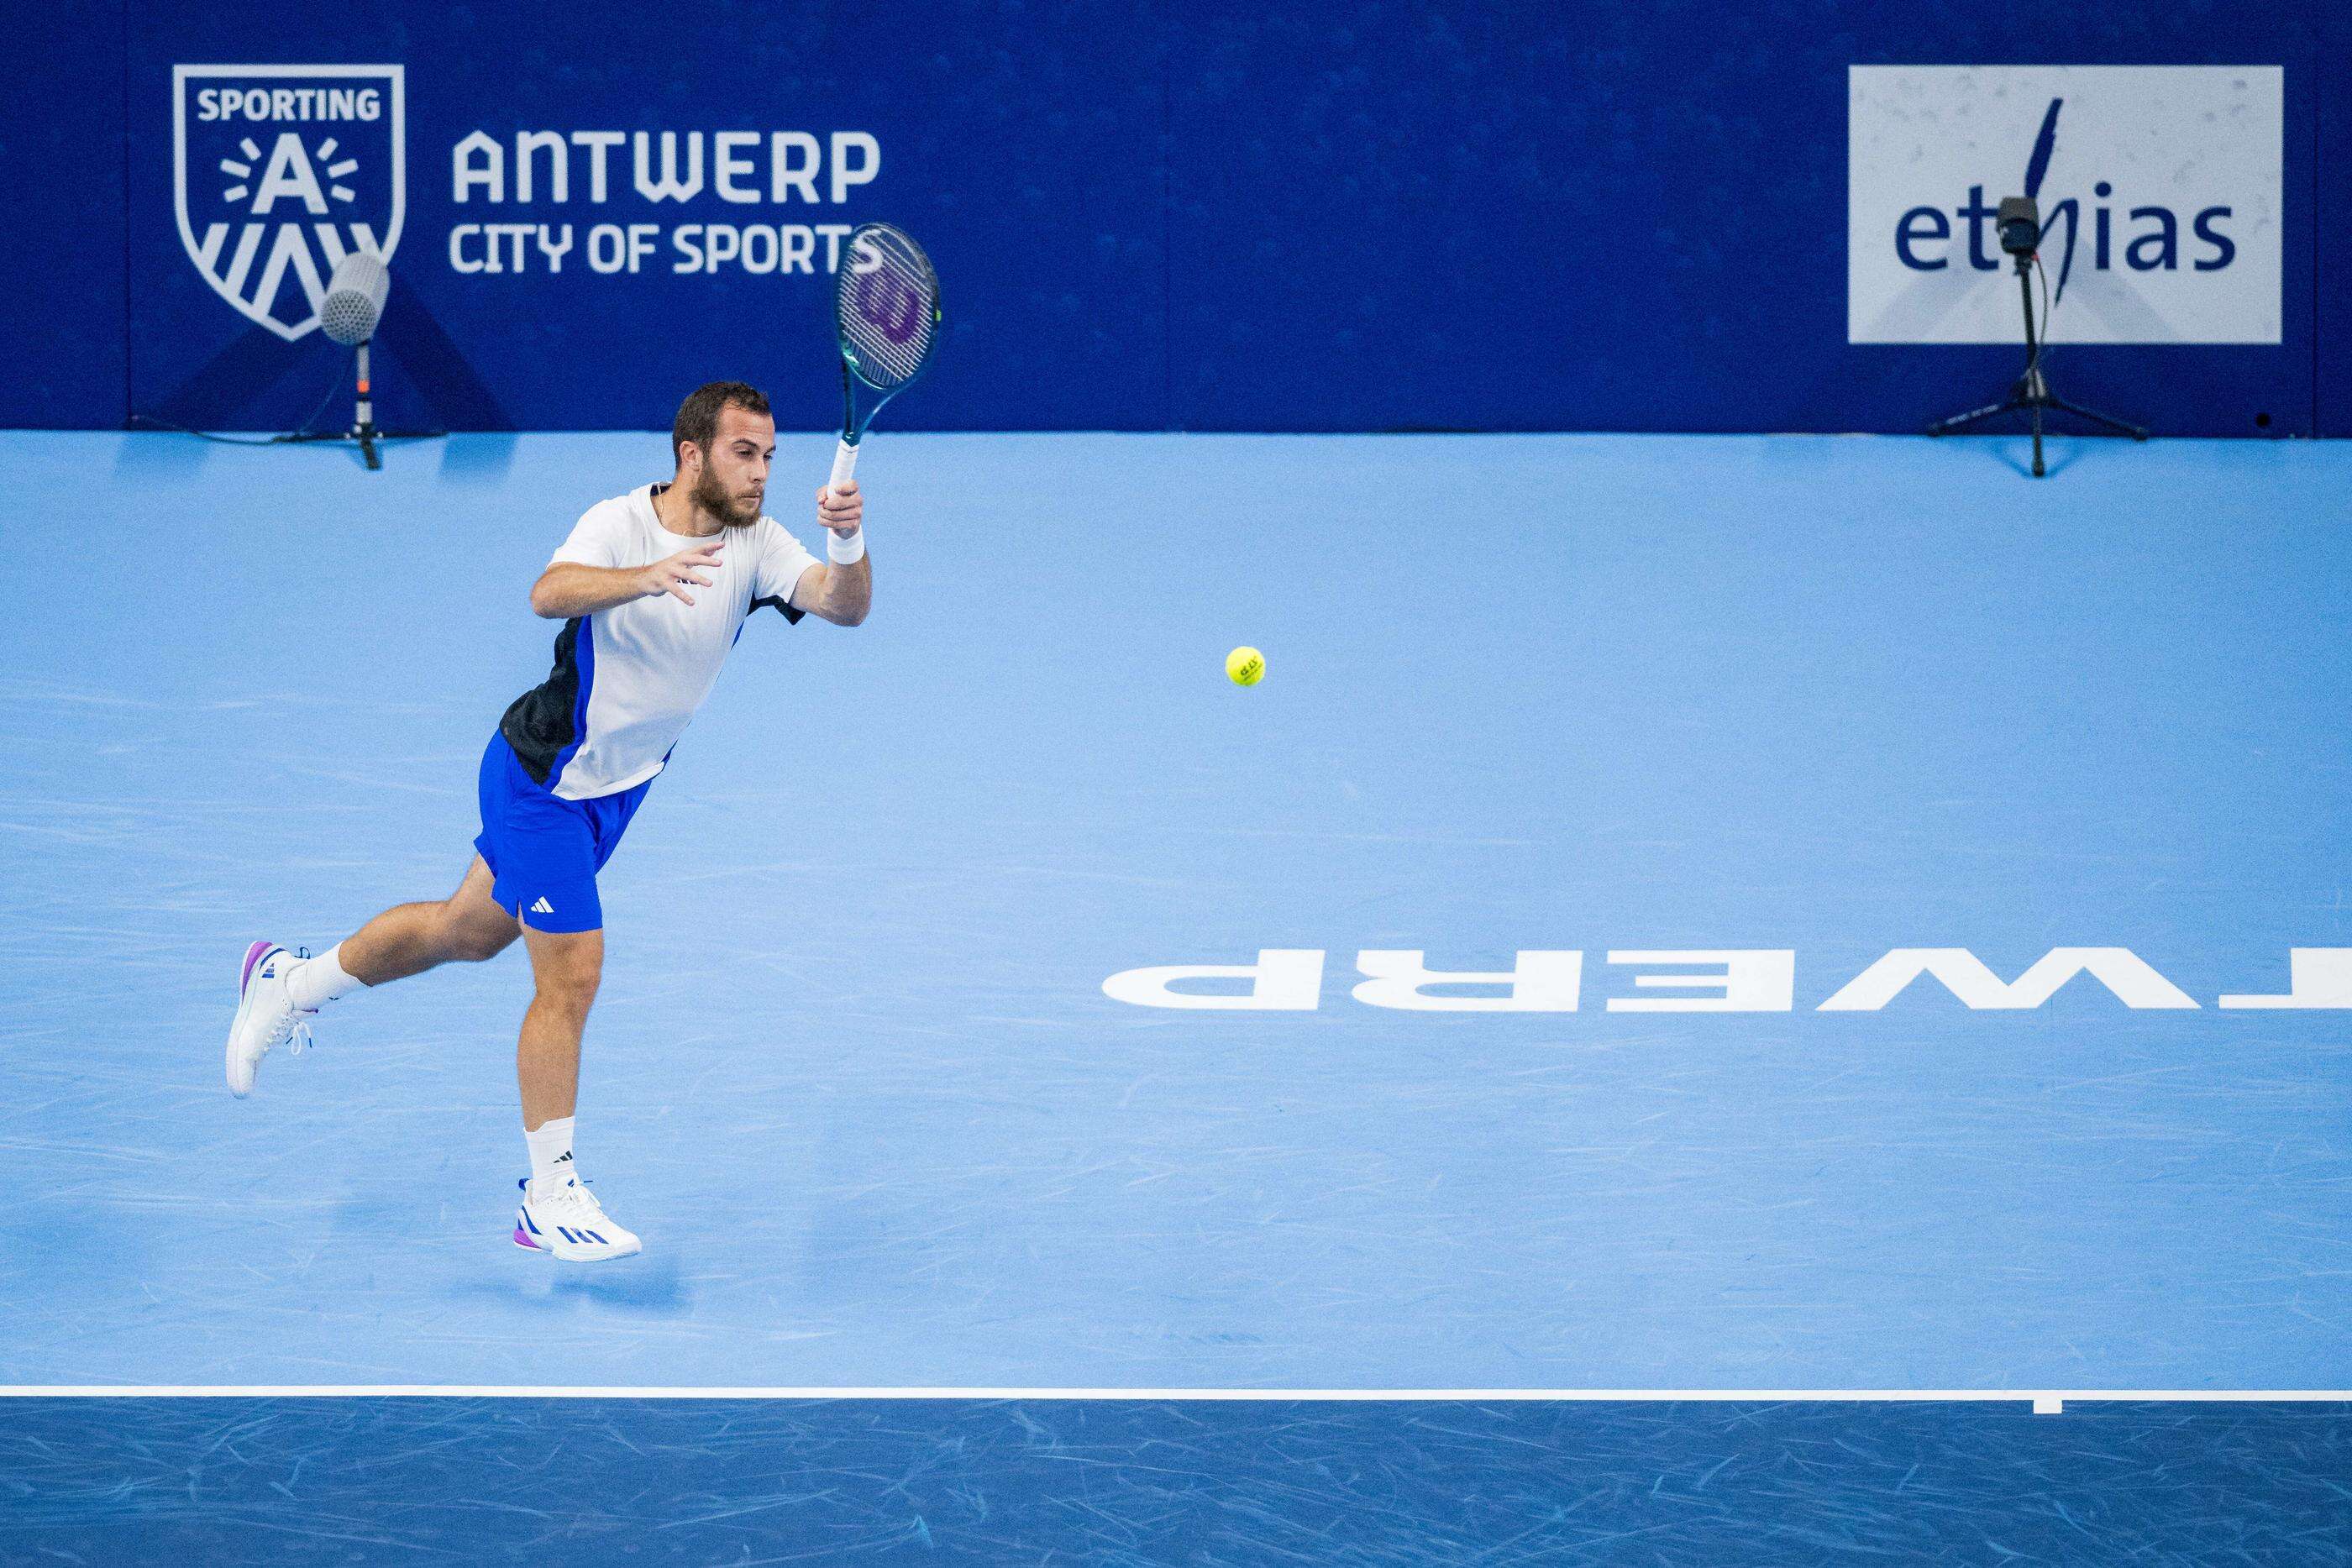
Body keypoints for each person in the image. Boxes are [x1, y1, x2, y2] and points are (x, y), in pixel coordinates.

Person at [223, 381, 870, 1262]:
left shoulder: (756, 543)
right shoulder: (619, 522)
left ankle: (289, 982)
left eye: (768, 457)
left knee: (466, 932)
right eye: (743, 453)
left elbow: (844, 602)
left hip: (618, 792)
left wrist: (846, 537)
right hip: (540, 779)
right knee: (572, 972)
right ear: (691, 453)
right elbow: (547, 591)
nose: (760, 473)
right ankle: (549, 1192)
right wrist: (641, 578)